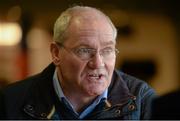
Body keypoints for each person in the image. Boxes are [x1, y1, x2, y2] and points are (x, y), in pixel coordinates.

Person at [0, 6, 156, 120]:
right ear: (56, 53)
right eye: (84, 50)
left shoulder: (143, 101)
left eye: (107, 50)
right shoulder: (9, 102)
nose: (97, 63)